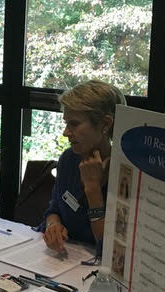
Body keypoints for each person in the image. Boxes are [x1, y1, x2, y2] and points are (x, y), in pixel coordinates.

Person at [41, 80, 126, 255]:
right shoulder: (69, 159)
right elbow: (54, 209)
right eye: (66, 123)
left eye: (74, 124)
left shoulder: (125, 173)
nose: (65, 132)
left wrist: (93, 190)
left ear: (105, 124)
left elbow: (109, 249)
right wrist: (53, 224)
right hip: (63, 262)